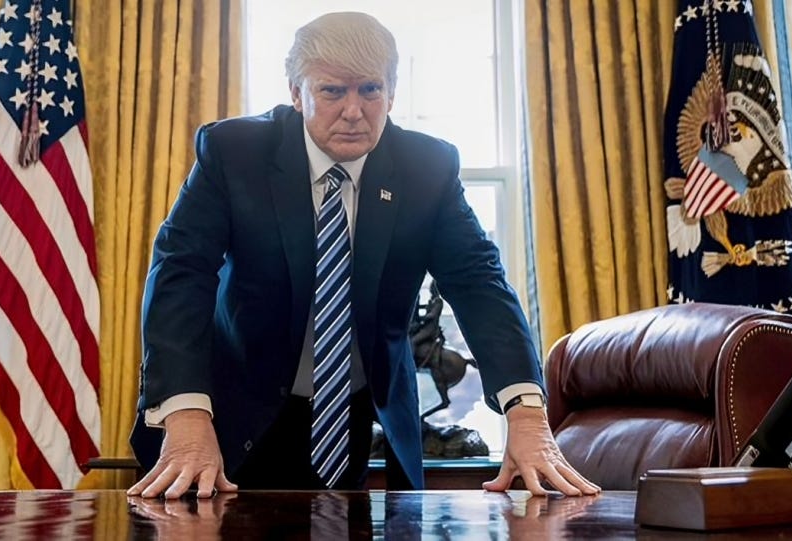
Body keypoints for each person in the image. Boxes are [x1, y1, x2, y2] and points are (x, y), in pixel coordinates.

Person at [128, 11, 600, 499]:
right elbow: (181, 272)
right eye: (333, 91)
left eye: (370, 90)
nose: (353, 110)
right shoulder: (235, 152)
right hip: (229, 418)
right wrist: (185, 414)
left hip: (351, 418)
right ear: (297, 92)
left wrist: (525, 412)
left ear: (392, 94)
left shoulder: (427, 168)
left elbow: (480, 284)